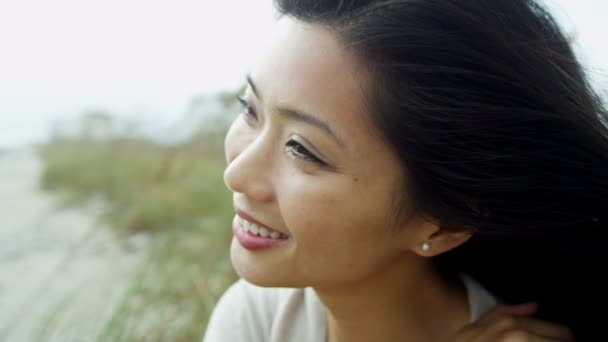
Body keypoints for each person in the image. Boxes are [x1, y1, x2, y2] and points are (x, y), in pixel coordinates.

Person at [204, 0, 607, 341]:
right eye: (249, 109)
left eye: (302, 149)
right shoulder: (256, 318)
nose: (237, 174)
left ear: (441, 225)